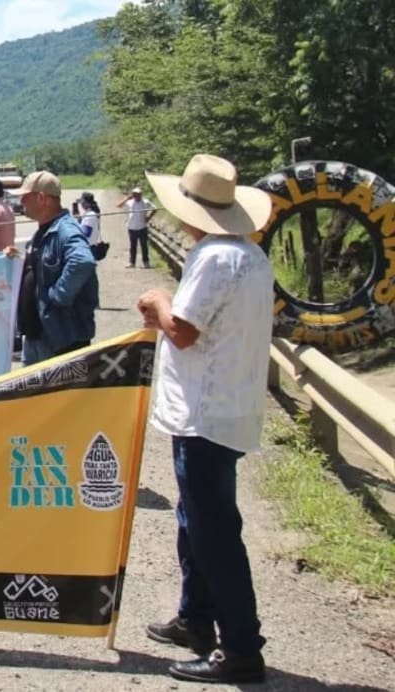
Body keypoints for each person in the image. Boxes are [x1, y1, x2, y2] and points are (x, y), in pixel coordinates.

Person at [137, 154, 274, 685]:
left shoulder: (214, 257)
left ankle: (240, 646)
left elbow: (185, 330)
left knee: (213, 530)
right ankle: (195, 617)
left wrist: (159, 299)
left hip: (206, 411)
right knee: (196, 521)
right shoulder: (248, 256)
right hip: (225, 405)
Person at [7, 171, 98, 365]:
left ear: (41, 198)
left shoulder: (65, 230)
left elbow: (83, 261)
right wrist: (20, 259)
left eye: (25, 197)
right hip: (37, 336)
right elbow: (44, 269)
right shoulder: (45, 230)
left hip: (57, 340)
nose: (21, 201)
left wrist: (57, 295)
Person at [118, 186, 157, 268]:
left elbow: (155, 208)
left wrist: (148, 217)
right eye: (135, 194)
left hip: (142, 227)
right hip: (131, 228)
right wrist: (127, 198)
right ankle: (132, 263)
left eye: (138, 194)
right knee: (133, 246)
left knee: (144, 246)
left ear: (141, 194)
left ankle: (146, 262)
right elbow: (119, 205)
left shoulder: (145, 202)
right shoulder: (130, 202)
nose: (136, 196)